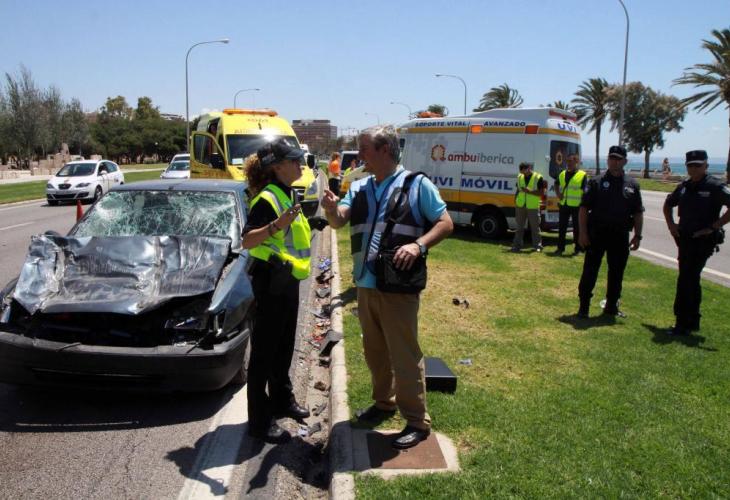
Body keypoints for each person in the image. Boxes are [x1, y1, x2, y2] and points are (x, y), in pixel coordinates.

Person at [321, 125, 453, 449]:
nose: (360, 154)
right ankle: (384, 403)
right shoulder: (360, 186)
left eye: (365, 148)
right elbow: (338, 220)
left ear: (384, 150)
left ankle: (417, 421)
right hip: (366, 284)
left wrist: (418, 245)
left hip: (398, 286)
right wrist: (331, 208)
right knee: (375, 351)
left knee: (404, 355)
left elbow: (445, 223)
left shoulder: (417, 185)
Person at [241, 138, 312, 443]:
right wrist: (276, 226)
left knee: (283, 347)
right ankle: (259, 421)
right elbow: (247, 240)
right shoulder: (267, 198)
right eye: (295, 161)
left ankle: (282, 400)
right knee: (264, 354)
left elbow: (291, 235)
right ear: (278, 167)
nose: (301, 165)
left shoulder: (286, 192)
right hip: (270, 281)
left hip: (286, 279)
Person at [663, 150, 730, 335]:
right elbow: (668, 204)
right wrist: (671, 225)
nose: (693, 169)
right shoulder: (684, 186)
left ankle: (682, 323)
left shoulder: (714, 186)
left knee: (687, 279)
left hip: (703, 240)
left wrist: (714, 226)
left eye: (697, 165)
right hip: (684, 239)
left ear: (706, 166)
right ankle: (691, 320)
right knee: (691, 279)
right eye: (690, 165)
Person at [577, 145, 644, 318]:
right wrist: (582, 233)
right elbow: (583, 209)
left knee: (616, 272)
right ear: (607, 160)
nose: (614, 162)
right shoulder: (596, 182)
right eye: (611, 158)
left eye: (618, 159)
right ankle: (583, 307)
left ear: (625, 161)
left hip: (620, 236)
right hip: (597, 234)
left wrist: (638, 235)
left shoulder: (632, 185)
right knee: (590, 270)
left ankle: (611, 306)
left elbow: (638, 212)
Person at [553, 152, 588, 255]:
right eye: (567, 161)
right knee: (562, 228)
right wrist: (558, 194)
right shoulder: (562, 173)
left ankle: (578, 249)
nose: (568, 163)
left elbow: (585, 191)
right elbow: (556, 184)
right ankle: (560, 248)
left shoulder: (582, 175)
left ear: (576, 162)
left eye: (570, 161)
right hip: (564, 204)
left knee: (577, 229)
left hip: (577, 206)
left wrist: (584, 204)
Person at [511, 162, 546, 252]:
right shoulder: (520, 177)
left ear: (529, 168)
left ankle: (537, 246)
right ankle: (516, 245)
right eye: (522, 172)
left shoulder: (538, 177)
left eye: (524, 171)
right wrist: (516, 199)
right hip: (520, 205)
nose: (523, 174)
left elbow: (541, 192)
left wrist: (529, 191)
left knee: (535, 228)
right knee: (519, 227)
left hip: (533, 206)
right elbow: (518, 189)